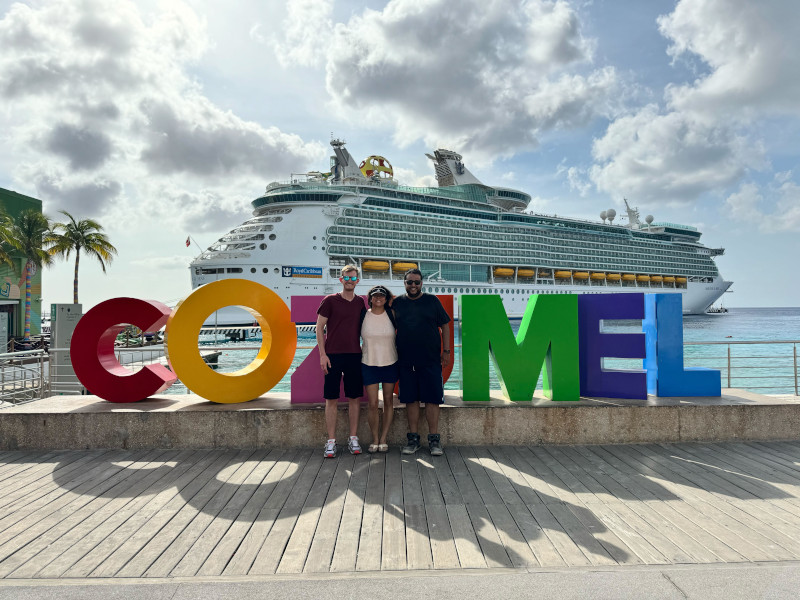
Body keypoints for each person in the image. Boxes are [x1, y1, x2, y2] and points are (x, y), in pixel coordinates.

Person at [392, 268, 451, 456]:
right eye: (410, 282)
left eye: (417, 282)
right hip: (405, 360)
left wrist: (447, 351)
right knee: (411, 399)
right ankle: (413, 440)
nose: (413, 285)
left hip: (431, 359)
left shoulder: (432, 301)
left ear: (422, 283)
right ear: (404, 283)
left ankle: (434, 440)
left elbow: (445, 326)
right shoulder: (397, 303)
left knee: (433, 399)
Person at [316, 265, 365, 457]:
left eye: (353, 279)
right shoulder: (330, 301)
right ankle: (331, 441)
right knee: (331, 398)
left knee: (355, 398)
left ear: (357, 281)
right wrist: (322, 354)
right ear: (341, 279)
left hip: (354, 355)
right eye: (347, 278)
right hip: (333, 355)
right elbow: (319, 328)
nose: (350, 281)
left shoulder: (361, 302)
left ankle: (353, 438)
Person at [360, 285, 398, 452]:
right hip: (369, 363)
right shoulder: (363, 315)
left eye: (381, 295)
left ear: (386, 298)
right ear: (370, 298)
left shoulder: (392, 314)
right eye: (375, 295)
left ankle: (384, 438)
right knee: (373, 403)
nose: (378, 298)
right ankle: (374, 438)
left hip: (391, 362)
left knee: (388, 401)